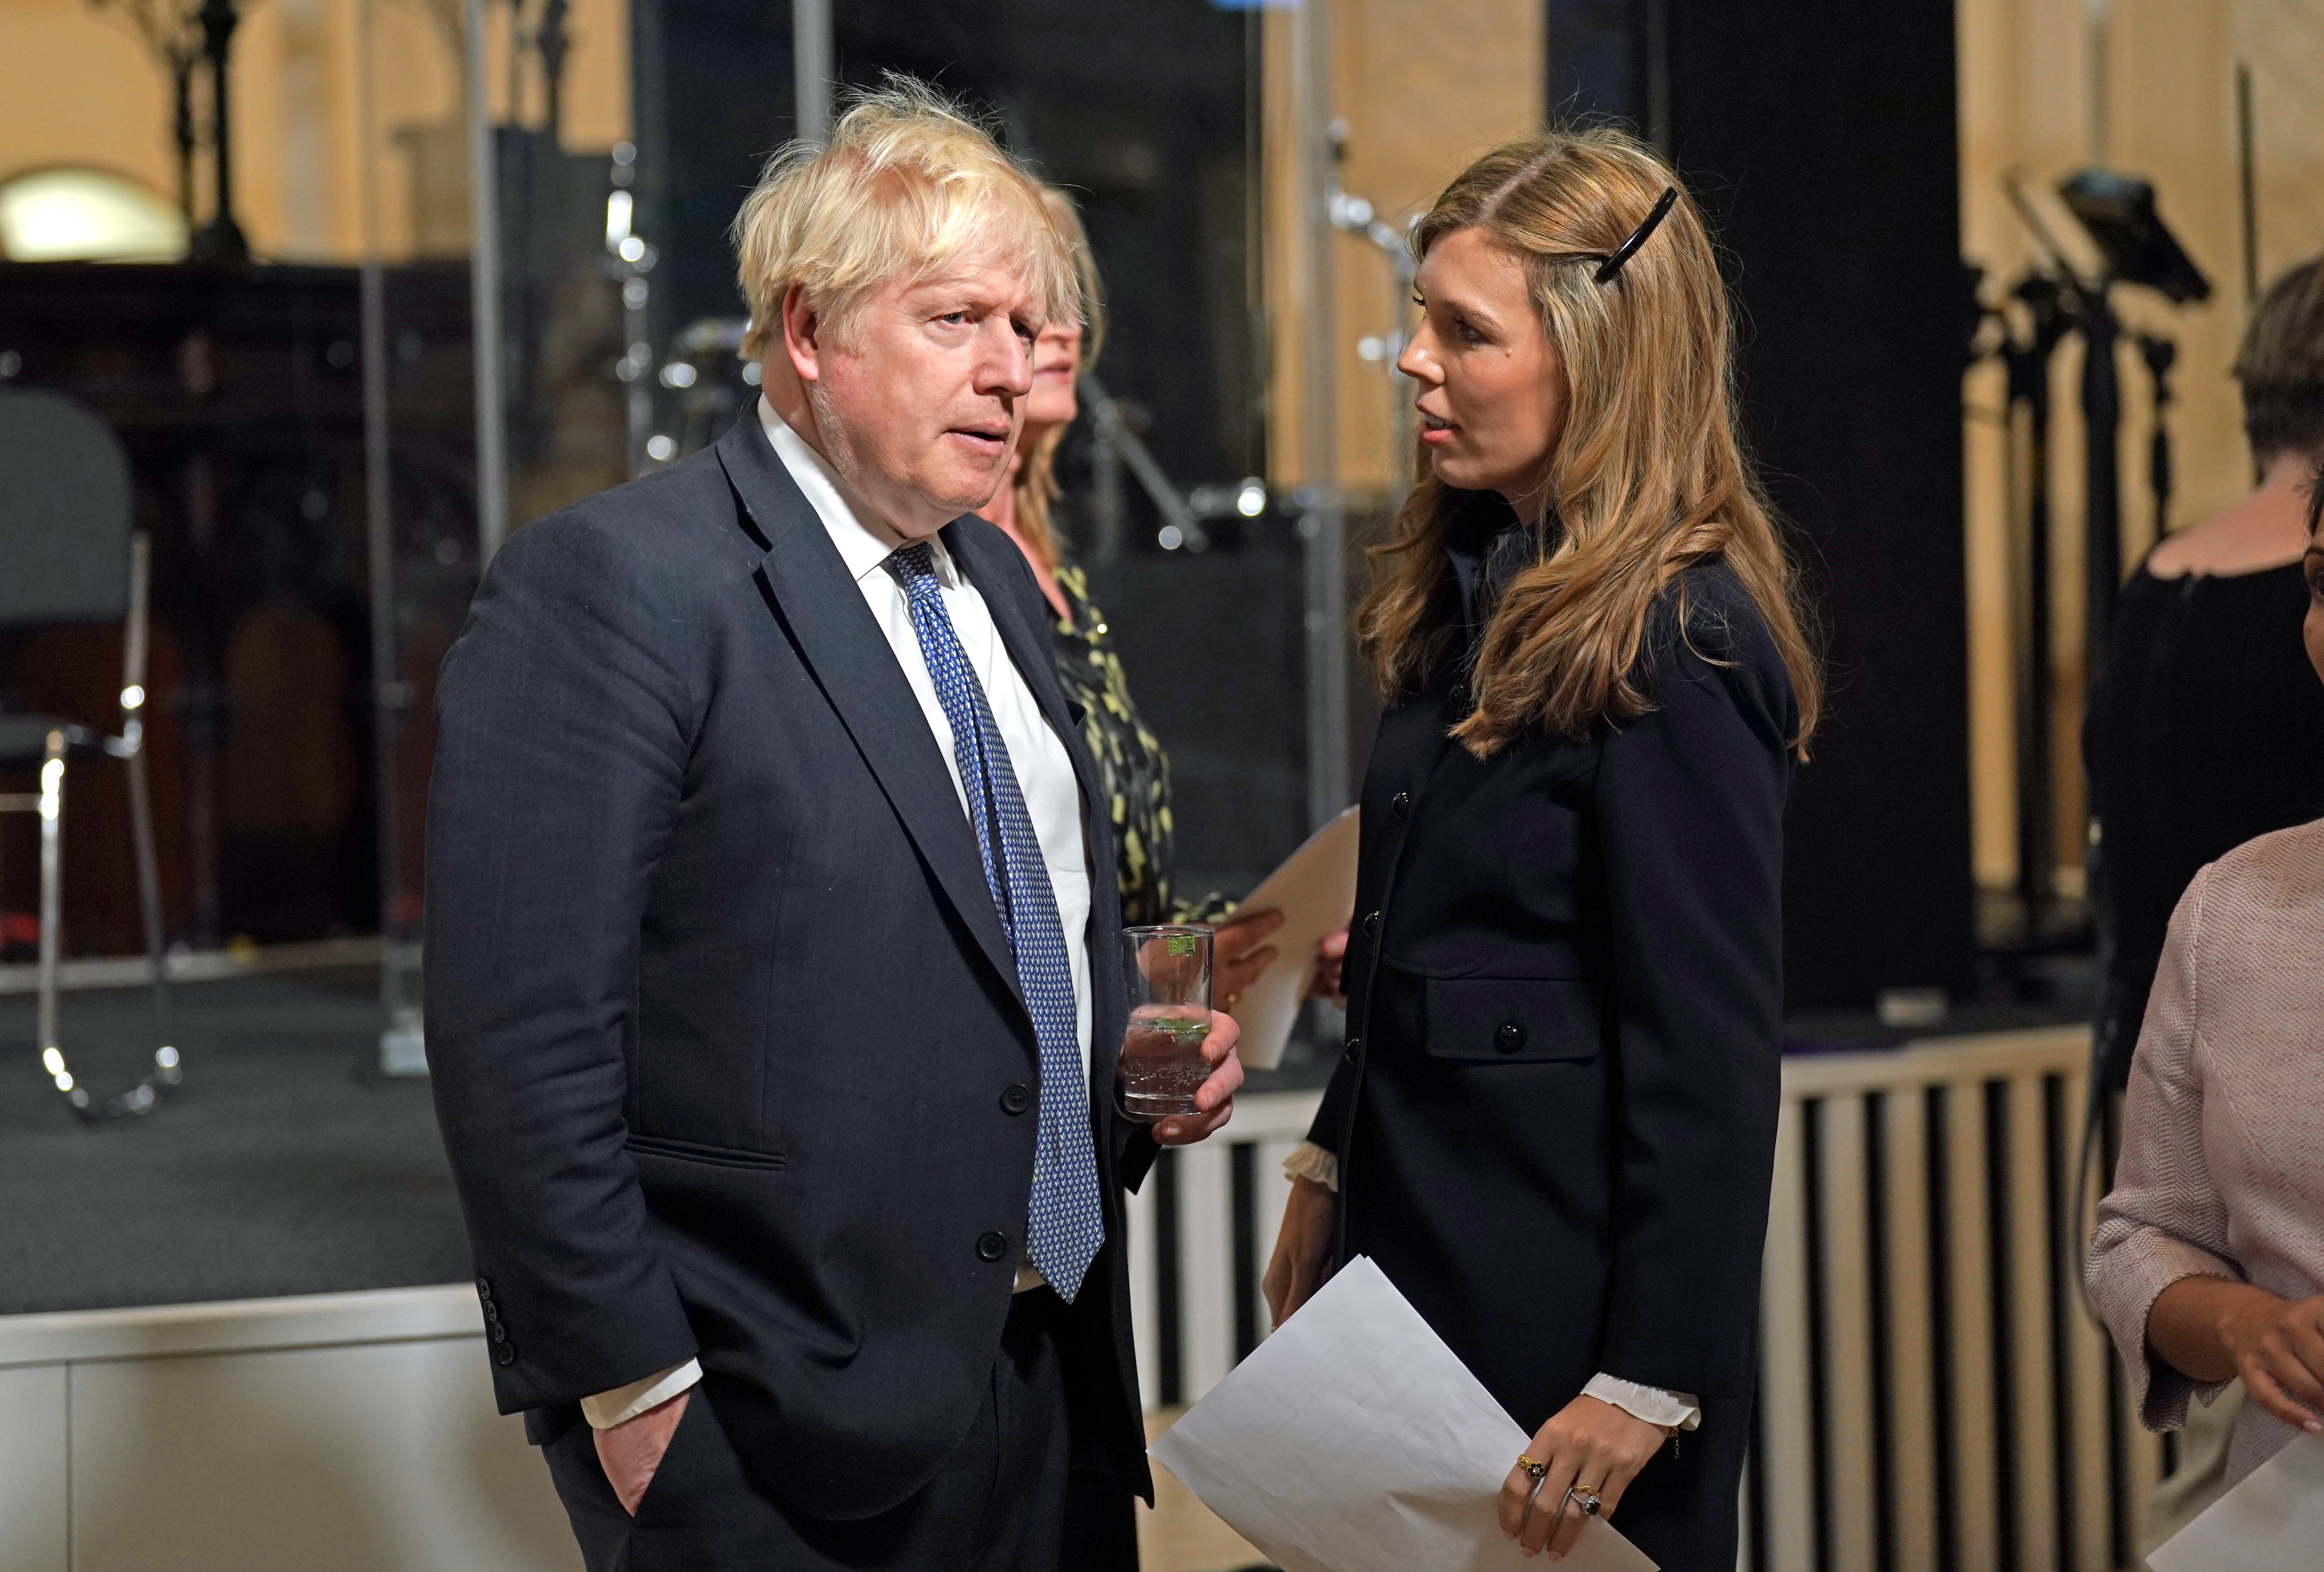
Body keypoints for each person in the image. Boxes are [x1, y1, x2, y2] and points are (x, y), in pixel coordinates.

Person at [423, 80, 1243, 1572]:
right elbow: (518, 1043)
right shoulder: (617, 586)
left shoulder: (991, 581)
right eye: (954, 322)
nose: (1008, 372)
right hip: (764, 1417)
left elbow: (1002, 932)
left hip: (1048, 1369)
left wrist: (1120, 1061)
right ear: (807, 333)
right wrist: (634, 1384)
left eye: (1022, 324)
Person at [1262, 129, 1820, 1570]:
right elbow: (1416, 940)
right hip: (1412, 1291)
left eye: (1464, 330)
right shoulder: (1464, 592)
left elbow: (1705, 1051)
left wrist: (1649, 1372)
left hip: (1563, 1342)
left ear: (1602, 356)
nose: (1410, 359)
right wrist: (1329, 1169)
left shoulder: (1681, 639)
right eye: (1418, 317)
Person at [2080, 256, 2324, 1537]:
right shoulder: (2234, 906)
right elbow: (2147, 1238)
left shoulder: (2162, 574)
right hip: (2285, 1487)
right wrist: (2241, 1323)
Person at [977, 185, 1282, 1012]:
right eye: (1027, 306)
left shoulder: (1054, 565)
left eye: (1068, 299)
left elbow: (1103, 881)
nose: (1064, 329)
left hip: (1115, 1066)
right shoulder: (939, 575)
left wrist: (1226, 943)